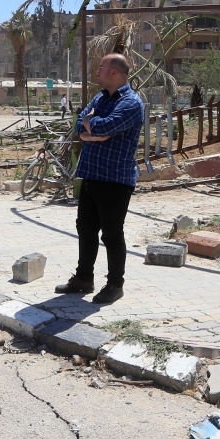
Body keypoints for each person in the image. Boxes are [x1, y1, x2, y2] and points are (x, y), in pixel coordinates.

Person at [54, 54, 143, 304]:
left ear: (114, 73)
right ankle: (84, 279)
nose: (97, 73)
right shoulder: (99, 98)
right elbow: (80, 128)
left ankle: (115, 284)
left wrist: (94, 127)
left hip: (115, 179)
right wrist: (92, 129)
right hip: (92, 175)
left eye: (101, 68)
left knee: (112, 234)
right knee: (86, 228)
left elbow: (104, 127)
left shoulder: (131, 103)